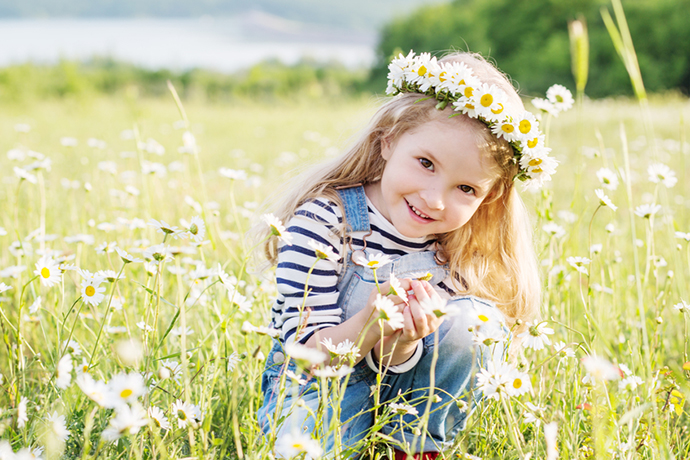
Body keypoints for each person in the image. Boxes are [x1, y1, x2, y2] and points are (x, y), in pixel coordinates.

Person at [256, 50, 554, 459]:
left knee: (474, 324)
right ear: (389, 140)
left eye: (465, 189)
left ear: (489, 197)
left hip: (401, 399)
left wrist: (401, 342)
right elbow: (306, 358)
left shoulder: (455, 249)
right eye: (426, 163)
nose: (433, 200)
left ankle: (412, 450)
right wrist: (369, 324)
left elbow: (407, 366)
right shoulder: (325, 222)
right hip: (315, 385)